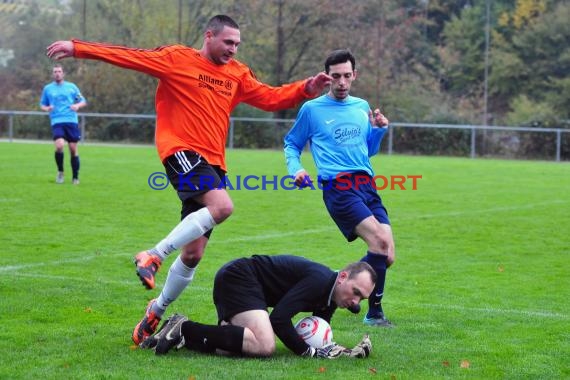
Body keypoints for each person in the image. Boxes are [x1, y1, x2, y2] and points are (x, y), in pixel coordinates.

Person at [45, 15, 332, 345]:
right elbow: (129, 56)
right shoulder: (177, 59)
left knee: (193, 254)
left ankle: (156, 308)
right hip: (181, 150)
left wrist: (305, 90)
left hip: (214, 164)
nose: (233, 49)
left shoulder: (237, 73)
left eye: (237, 44)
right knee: (222, 206)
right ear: (209, 36)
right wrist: (78, 48)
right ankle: (152, 254)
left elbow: (268, 98)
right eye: (228, 42)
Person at [283, 49, 395, 327]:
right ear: (327, 78)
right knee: (379, 243)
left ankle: (331, 283)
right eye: (336, 77)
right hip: (339, 187)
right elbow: (292, 143)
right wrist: (295, 169)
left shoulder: (361, 106)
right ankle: (374, 314)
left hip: (367, 184)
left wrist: (379, 129)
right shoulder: (312, 109)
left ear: (354, 75)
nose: (342, 82)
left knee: (387, 255)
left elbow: (367, 151)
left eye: (347, 76)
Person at [140, 254, 375, 358]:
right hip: (239, 277)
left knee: (235, 346)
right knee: (264, 345)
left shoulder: (329, 297)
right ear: (343, 277)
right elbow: (279, 320)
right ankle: (184, 328)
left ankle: (177, 331)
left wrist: (341, 351)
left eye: (361, 299)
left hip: (246, 287)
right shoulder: (320, 281)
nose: (355, 302)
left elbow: (320, 336)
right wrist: (307, 352)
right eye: (356, 292)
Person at [40, 64, 87, 185]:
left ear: (63, 73)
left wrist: (77, 105)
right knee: (59, 146)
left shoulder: (71, 87)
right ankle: (60, 172)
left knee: (72, 149)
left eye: (59, 71)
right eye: (55, 71)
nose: (57, 73)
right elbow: (42, 105)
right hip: (57, 121)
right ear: (52, 74)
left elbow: (82, 101)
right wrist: (47, 108)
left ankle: (75, 177)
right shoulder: (48, 89)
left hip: (71, 120)